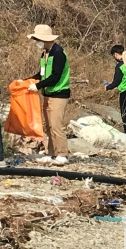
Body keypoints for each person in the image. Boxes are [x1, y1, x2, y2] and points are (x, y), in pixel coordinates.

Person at [26, 25, 70, 164]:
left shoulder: (58, 53)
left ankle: (62, 154)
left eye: (37, 39)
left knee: (56, 125)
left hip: (59, 94)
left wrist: (37, 86)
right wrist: (28, 81)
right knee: (50, 125)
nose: (36, 42)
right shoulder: (45, 53)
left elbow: (55, 76)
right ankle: (51, 153)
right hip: (48, 94)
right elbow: (42, 74)